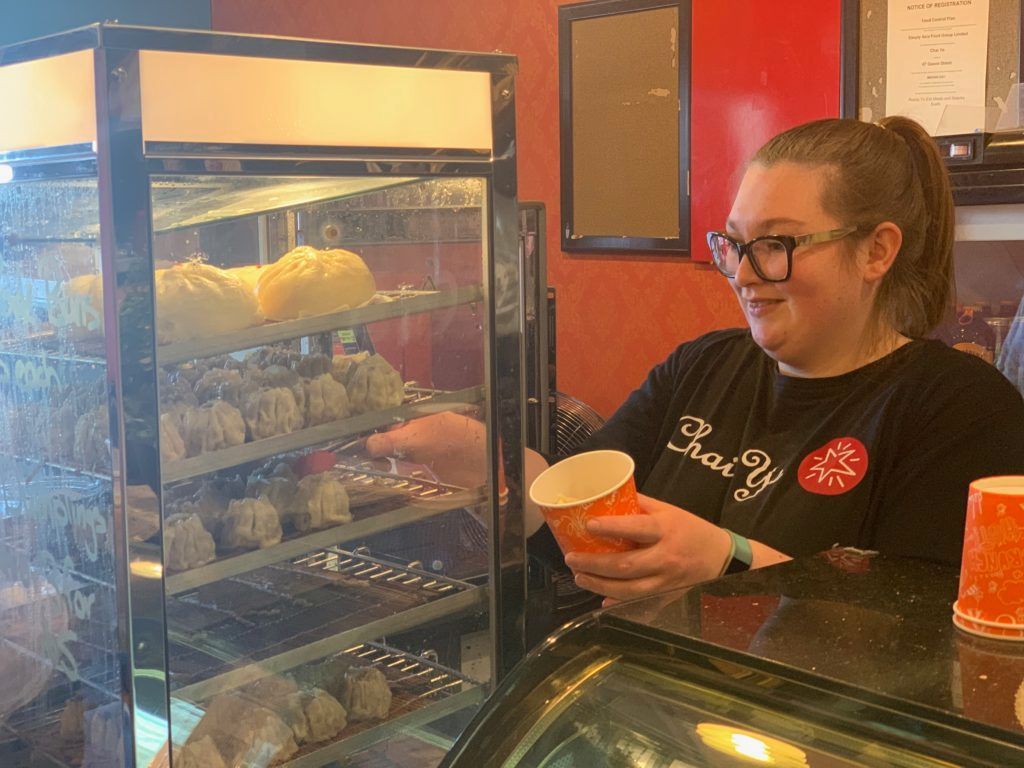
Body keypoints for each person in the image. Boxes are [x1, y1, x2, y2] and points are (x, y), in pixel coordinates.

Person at [368, 116, 1024, 606]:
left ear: (877, 251)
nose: (743, 274)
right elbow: (589, 535)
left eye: (775, 245)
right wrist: (488, 468)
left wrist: (729, 557)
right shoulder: (702, 366)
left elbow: (927, 634)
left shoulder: (961, 410)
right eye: (732, 245)